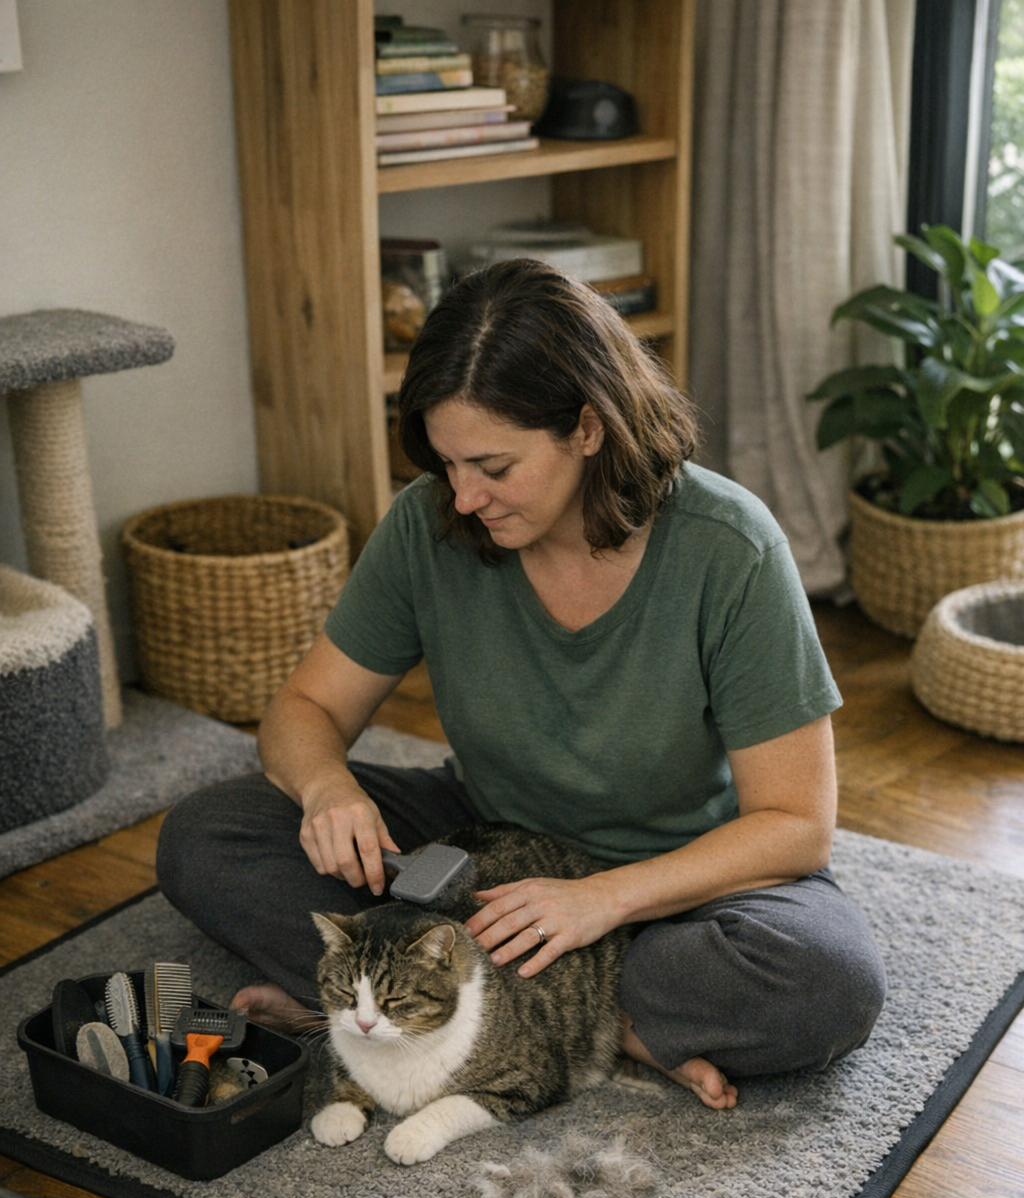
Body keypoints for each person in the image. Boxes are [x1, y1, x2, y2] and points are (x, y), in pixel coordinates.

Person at [157, 258, 886, 1111]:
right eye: (447, 464)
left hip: (671, 887)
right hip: (483, 851)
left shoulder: (730, 549)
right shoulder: (428, 523)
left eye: (494, 468)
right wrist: (326, 788)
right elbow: (305, 708)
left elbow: (797, 827)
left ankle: (471, 1021)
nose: (465, 498)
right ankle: (570, 1027)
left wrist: (600, 902)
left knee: (826, 983)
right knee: (208, 835)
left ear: (587, 427)